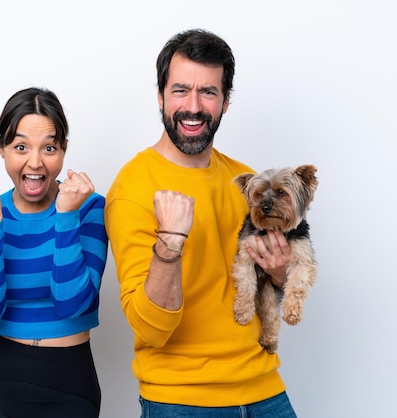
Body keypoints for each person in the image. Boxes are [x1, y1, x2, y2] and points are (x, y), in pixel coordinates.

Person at [104, 29, 298, 417]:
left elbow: (273, 288)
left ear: (226, 101)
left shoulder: (248, 184)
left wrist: (279, 274)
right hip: (181, 400)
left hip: (266, 392)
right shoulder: (133, 187)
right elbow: (151, 328)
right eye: (180, 90)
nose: (193, 106)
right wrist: (170, 243)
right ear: (160, 96)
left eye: (208, 92)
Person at [0, 87, 107, 418]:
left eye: (50, 147)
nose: (36, 162)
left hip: (70, 382)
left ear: (64, 149)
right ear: (1, 148)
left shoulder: (88, 208)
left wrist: (67, 215)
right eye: (21, 147)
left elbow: (72, 303)